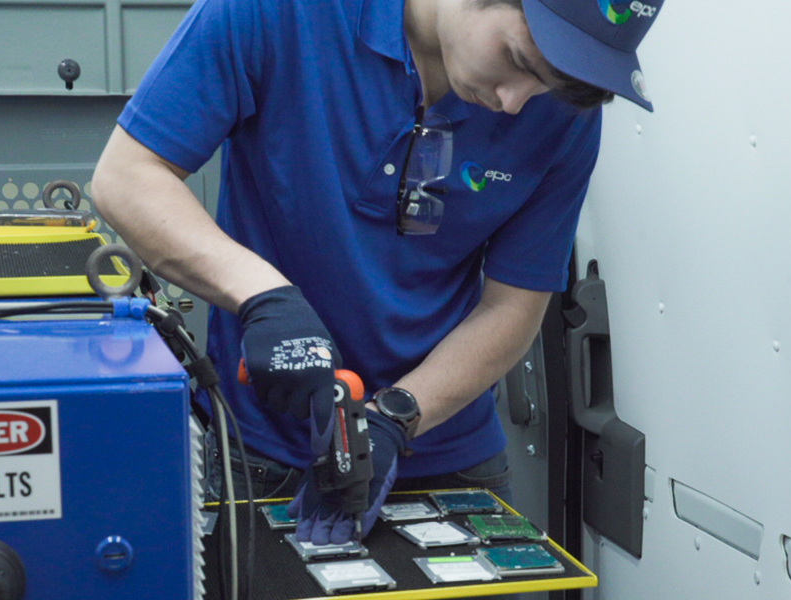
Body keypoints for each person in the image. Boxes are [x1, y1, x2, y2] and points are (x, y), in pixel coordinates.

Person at [92, 0, 662, 547]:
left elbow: (512, 305)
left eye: (546, 83)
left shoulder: (563, 110)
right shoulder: (280, 11)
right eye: (516, 59)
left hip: (449, 454)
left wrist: (398, 415)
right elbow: (128, 177)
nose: (515, 103)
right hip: (269, 456)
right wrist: (262, 295)